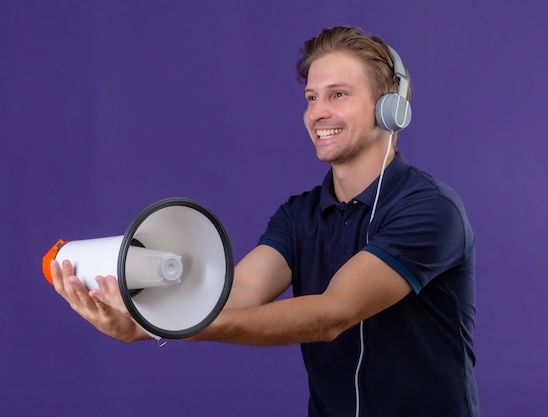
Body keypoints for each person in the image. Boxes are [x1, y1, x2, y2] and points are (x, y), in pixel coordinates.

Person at [50, 25, 479, 417]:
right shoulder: (300, 215)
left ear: (390, 108)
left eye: (338, 95)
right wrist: (142, 326)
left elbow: (331, 314)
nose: (317, 113)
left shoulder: (430, 209)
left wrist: (169, 328)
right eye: (312, 97)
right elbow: (238, 291)